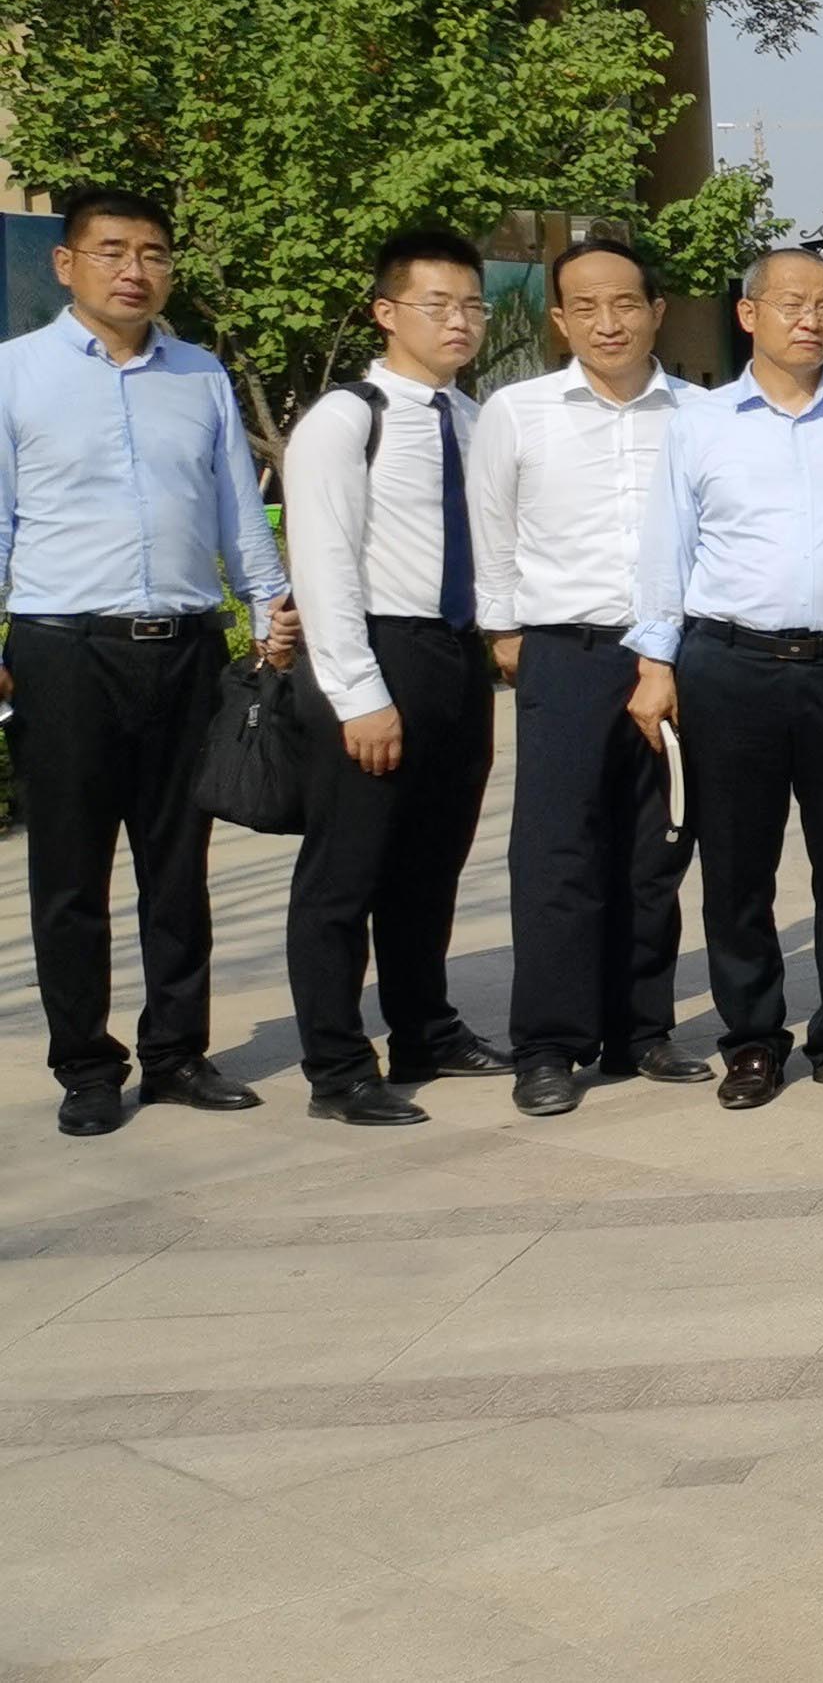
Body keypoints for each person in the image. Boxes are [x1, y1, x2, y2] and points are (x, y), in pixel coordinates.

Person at [0, 188, 296, 1138]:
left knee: (179, 865)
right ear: (66, 263)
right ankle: (86, 1065)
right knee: (70, 872)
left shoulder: (201, 374)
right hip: (63, 650)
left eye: (154, 253)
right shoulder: (14, 374)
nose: (135, 270)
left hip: (185, 650)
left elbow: (236, 508)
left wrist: (271, 605)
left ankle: (175, 1053)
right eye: (113, 250)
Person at [628, 248, 823, 1109]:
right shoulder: (701, 422)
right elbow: (666, 548)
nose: (811, 319)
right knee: (737, 866)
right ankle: (752, 1039)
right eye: (792, 302)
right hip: (730, 666)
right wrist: (655, 661)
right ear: (748, 314)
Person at [278, 230, 510, 1126]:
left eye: (472, 305)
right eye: (436, 304)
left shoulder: (471, 418)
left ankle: (424, 1028)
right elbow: (323, 562)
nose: (460, 322)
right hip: (376, 653)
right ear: (386, 312)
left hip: (454, 656)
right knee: (345, 873)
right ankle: (337, 1065)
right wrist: (359, 694)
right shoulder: (345, 418)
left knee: (430, 864)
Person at [473, 237, 703, 1113]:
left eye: (626, 303)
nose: (609, 322)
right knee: (557, 851)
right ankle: (549, 1044)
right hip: (563, 653)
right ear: (561, 320)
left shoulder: (698, 413)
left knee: (657, 848)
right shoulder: (517, 411)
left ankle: (640, 1030)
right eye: (586, 307)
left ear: (657, 311)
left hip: (672, 656)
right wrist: (505, 632)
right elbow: (492, 531)